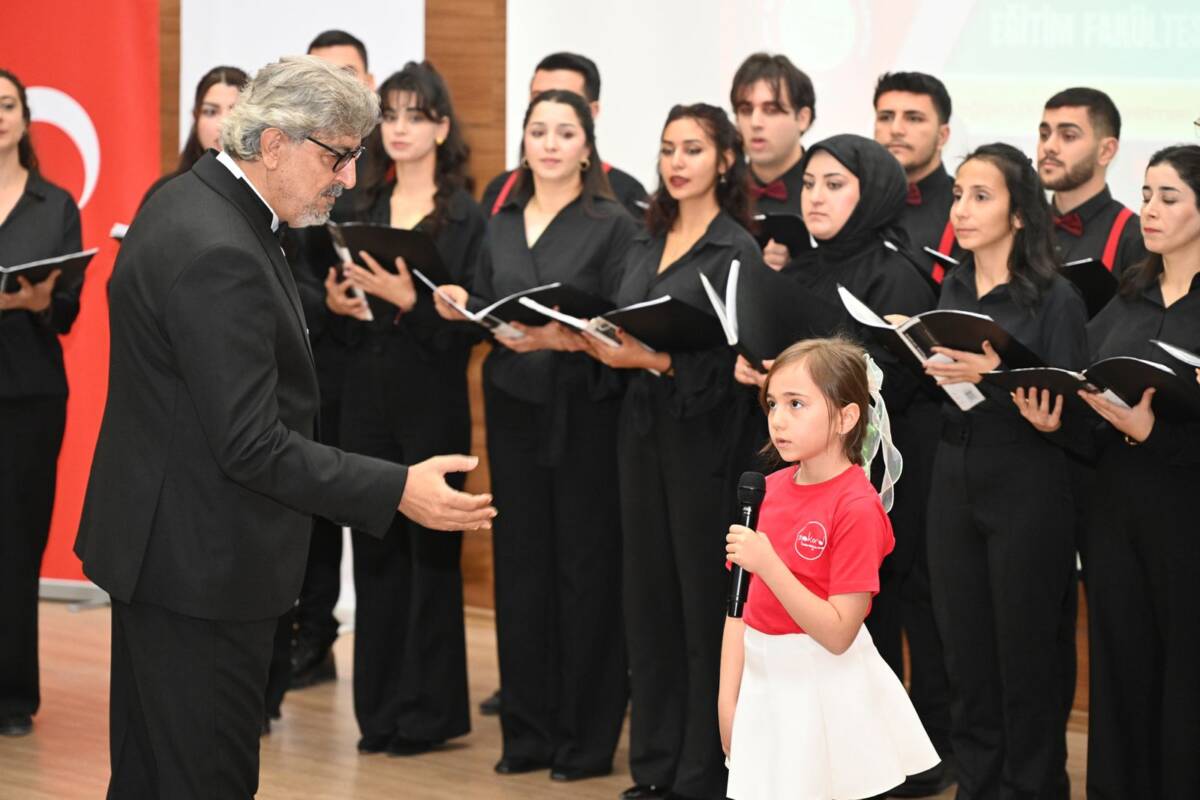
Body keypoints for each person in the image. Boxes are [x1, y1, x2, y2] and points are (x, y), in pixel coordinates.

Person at [73, 56, 496, 799]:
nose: (348, 177)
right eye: (338, 155)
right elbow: (250, 443)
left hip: (166, 551)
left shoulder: (186, 203)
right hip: (200, 565)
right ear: (274, 145)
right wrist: (397, 488)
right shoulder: (220, 250)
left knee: (149, 775)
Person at [732, 133, 950, 797]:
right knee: (812, 612)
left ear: (873, 191)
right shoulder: (799, 269)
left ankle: (899, 761)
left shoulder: (898, 271)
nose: (815, 196)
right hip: (809, 477)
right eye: (810, 184)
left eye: (834, 184)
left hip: (883, 475)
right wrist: (766, 376)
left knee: (883, 616)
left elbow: (907, 378)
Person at [434, 88, 636, 782]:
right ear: (523, 141)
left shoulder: (613, 223)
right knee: (521, 572)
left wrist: (562, 336)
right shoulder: (501, 220)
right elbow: (491, 300)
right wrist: (467, 306)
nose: (549, 143)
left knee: (584, 575)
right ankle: (527, 734)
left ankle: (584, 741)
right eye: (538, 131)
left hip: (586, 413)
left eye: (565, 132)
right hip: (515, 410)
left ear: (588, 145)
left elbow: (621, 324)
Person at [582, 102, 763, 800]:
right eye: (667, 149)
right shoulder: (638, 241)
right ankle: (653, 767)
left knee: (698, 609)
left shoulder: (734, 249)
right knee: (646, 603)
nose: (677, 161)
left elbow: (734, 370)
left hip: (705, 443)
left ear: (724, 160)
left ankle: (700, 771)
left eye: (693, 148)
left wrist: (657, 362)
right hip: (639, 433)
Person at [1023, 144, 1200, 799]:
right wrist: (1057, 422)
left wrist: (1158, 434)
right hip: (1115, 512)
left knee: (1186, 678)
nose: (1150, 210)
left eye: (1169, 197)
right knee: (1122, 672)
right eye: (1147, 194)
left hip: (1187, 513)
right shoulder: (1127, 296)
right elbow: (1092, 398)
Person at [320, 60, 483, 757]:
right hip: (365, 397)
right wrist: (339, 304)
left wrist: (414, 303)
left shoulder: (469, 217)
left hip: (432, 400)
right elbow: (338, 306)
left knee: (433, 557)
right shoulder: (359, 205)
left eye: (417, 115)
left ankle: (428, 714)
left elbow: (476, 325)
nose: (402, 128)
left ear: (442, 127)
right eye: (390, 114)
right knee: (376, 552)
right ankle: (378, 713)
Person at [923, 143, 1088, 800]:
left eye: (980, 196)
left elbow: (1081, 411)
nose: (962, 208)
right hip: (955, 473)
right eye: (958, 194)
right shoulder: (953, 285)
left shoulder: (1056, 297)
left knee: (1028, 656)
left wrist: (1002, 378)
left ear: (1020, 213)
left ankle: (1032, 786)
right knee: (966, 654)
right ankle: (979, 785)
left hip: (1029, 482)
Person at [720, 338, 939, 799]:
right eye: (773, 404)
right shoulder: (768, 490)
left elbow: (839, 633)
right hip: (763, 684)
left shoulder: (856, 507)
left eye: (797, 404)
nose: (778, 419)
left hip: (821, 687)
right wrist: (728, 698)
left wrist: (770, 564)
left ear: (846, 417)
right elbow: (738, 607)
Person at [286, 28, 378, 692]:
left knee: (367, 501)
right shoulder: (293, 168)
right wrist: (324, 307)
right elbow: (284, 276)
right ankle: (311, 635)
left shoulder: (384, 170)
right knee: (312, 507)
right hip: (312, 363)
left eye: (347, 74)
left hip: (378, 368)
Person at [0, 68, 84, 739]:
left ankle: (12, 696)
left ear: (26, 118)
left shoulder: (54, 205)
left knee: (16, 542)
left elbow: (67, 310)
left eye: (7, 105)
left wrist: (37, 301)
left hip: (28, 392)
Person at [480, 52, 647, 220]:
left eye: (565, 98)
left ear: (592, 112)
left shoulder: (625, 193)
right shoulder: (500, 189)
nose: (550, 105)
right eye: (538, 98)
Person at [1037, 87, 1147, 277]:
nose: (1049, 146)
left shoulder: (1135, 238)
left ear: (1106, 151)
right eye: (1045, 135)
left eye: (1068, 136)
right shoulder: (1021, 228)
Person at [729, 52, 815, 270]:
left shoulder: (829, 194)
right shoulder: (720, 192)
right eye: (746, 110)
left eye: (771, 110)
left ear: (802, 118)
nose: (756, 122)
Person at [873, 71, 960, 283]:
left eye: (913, 118)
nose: (895, 130)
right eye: (886, 117)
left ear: (943, 136)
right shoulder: (851, 201)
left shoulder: (965, 209)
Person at [139, 65, 248, 208]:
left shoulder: (272, 197)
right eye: (211, 112)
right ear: (195, 118)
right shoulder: (166, 193)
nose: (224, 124)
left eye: (236, 110)